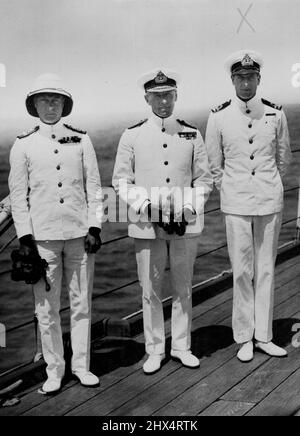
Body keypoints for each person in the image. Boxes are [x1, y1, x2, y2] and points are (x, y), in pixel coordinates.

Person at [113, 68, 213, 374]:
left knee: (183, 287)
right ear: (147, 98)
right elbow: (120, 181)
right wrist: (150, 208)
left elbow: (204, 180)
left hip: (184, 226)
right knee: (150, 289)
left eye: (168, 95)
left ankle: (181, 346)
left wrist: (185, 210)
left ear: (176, 96)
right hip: (147, 225)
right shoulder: (132, 135)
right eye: (156, 97)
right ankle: (154, 349)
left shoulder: (191, 133)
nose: (163, 102)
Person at [9, 73, 103, 393]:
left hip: (79, 236)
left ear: (64, 105)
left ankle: (81, 366)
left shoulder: (81, 139)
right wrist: (26, 240)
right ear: (34, 105)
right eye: (44, 100)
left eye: (56, 100)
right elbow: (19, 197)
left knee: (81, 304)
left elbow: (93, 187)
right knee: (46, 309)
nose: (51, 106)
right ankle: (54, 370)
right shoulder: (23, 145)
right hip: (43, 240)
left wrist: (94, 227)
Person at [205, 50, 292, 362]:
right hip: (237, 203)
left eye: (250, 76)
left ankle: (264, 336)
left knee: (266, 267)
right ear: (232, 80)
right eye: (240, 77)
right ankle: (243, 336)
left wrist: (268, 185)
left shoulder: (275, 114)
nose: (245, 82)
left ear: (259, 79)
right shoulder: (218, 117)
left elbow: (284, 159)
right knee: (242, 271)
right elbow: (214, 166)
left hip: (269, 200)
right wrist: (233, 189)